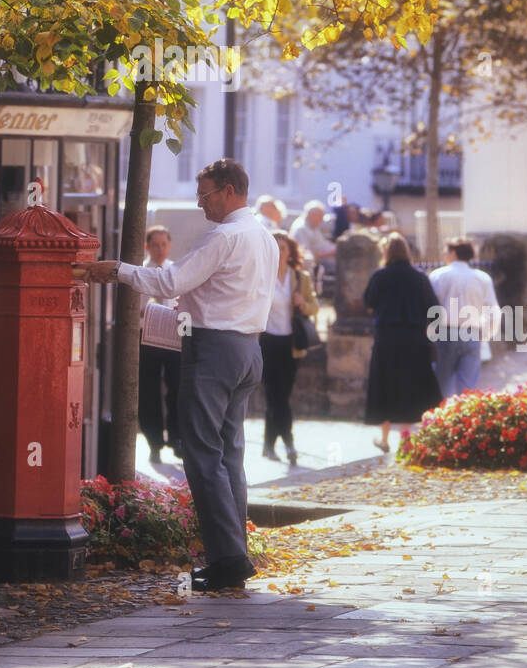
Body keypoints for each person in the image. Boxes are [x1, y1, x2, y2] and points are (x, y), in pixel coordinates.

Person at [81, 159, 277, 592]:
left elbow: (171, 282)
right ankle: (235, 554)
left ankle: (227, 559)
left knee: (201, 453)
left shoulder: (224, 236)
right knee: (229, 456)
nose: (200, 202)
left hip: (214, 349)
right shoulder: (264, 236)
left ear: (229, 191)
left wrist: (117, 270)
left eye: (204, 194)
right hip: (248, 349)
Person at [363, 233, 442, 453]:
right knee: (410, 387)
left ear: (385, 252)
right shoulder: (419, 277)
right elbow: (434, 309)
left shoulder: (380, 276)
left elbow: (369, 303)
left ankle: (385, 438)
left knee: (385, 385)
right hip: (414, 339)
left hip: (387, 338)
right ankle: (406, 441)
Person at [259, 231, 319, 466]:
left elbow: (315, 306)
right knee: (275, 395)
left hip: (291, 344)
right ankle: (289, 444)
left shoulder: (300, 277)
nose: (279, 252)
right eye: (274, 247)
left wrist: (303, 304)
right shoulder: (261, 276)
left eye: (283, 248)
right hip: (267, 341)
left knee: (281, 395)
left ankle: (268, 445)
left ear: (290, 252)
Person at [428, 239, 499, 397]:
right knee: (467, 388)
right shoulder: (482, 278)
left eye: (446, 251)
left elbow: (430, 308)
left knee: (441, 385)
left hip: (445, 333)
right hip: (472, 333)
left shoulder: (438, 276)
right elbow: (493, 310)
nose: (444, 255)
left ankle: (440, 419)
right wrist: (485, 334)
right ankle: (462, 420)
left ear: (453, 253)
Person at [138, 224, 181, 464]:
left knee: (177, 389)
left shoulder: (175, 270)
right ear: (148, 247)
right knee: (148, 391)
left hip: (172, 336)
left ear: (169, 245)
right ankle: (154, 442)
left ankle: (177, 440)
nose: (160, 249)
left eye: (164, 244)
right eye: (155, 245)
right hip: (146, 337)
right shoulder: (142, 271)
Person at [290, 200, 337, 269]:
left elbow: (321, 243)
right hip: (316, 263)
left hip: (325, 259)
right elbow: (305, 254)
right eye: (320, 217)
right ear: (311, 215)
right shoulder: (301, 228)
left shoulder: (313, 226)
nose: (322, 220)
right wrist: (330, 253)